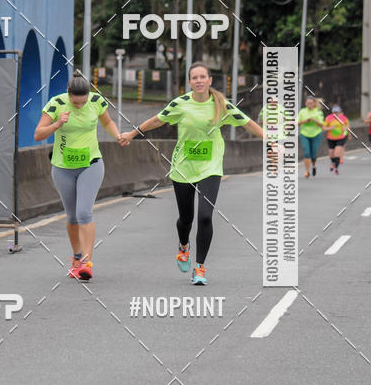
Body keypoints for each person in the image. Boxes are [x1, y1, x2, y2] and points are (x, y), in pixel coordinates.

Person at [119, 62, 264, 285]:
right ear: (189, 82)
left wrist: (270, 141)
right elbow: (157, 120)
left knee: (205, 216)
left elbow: (247, 123)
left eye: (202, 77)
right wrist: (132, 133)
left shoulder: (220, 104)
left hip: (211, 167)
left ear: (209, 80)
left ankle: (200, 268)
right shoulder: (181, 104)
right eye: (194, 77)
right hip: (183, 168)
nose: (198, 80)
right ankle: (183, 244)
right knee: (186, 218)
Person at [34, 70, 127, 280]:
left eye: (82, 102)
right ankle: (76, 257)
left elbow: (107, 122)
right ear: (69, 95)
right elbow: (38, 133)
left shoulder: (96, 101)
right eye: (76, 103)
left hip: (91, 164)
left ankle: (86, 263)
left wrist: (118, 135)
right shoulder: (56, 104)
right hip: (63, 167)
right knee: (72, 216)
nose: (79, 105)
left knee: (84, 213)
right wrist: (57, 124)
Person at [297, 95, 324, 178]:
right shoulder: (302, 111)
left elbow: (322, 125)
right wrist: (306, 121)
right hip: (304, 134)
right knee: (307, 153)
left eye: (311, 103)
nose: (309, 104)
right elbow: (298, 123)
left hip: (316, 134)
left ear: (314, 104)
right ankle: (307, 171)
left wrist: (314, 120)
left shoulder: (318, 112)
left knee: (313, 154)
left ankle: (314, 165)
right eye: (308, 103)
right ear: (305, 103)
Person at [324, 104, 350, 174]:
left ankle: (336, 168)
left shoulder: (343, 118)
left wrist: (345, 128)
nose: (335, 113)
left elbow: (347, 125)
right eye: (334, 112)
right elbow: (324, 128)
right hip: (330, 138)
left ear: (339, 112)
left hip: (340, 138)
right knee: (331, 154)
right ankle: (333, 163)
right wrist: (330, 128)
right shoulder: (328, 118)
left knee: (337, 153)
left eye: (337, 112)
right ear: (332, 112)